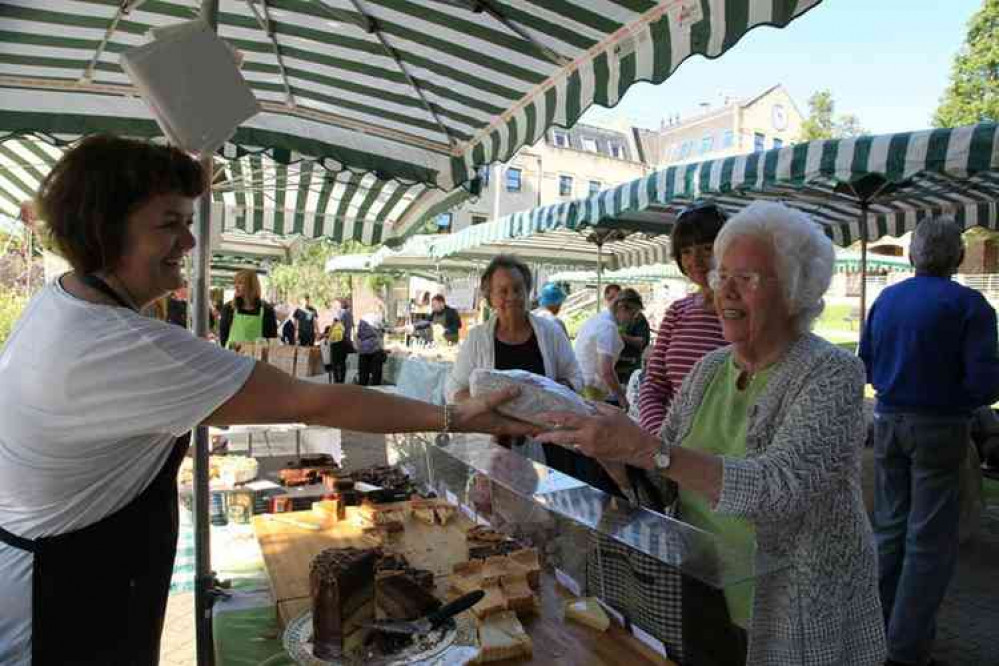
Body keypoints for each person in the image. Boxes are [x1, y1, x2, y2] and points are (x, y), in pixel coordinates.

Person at [0, 135, 535, 666]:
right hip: (62, 608)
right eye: (169, 224)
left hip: (70, 578)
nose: (188, 243)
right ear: (104, 229)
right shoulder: (121, 345)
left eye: (189, 222)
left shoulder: (65, 300)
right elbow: (317, 403)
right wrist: (454, 415)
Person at [538, 201, 886, 666]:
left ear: (794, 290)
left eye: (746, 278)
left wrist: (648, 448)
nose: (724, 290)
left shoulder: (832, 374)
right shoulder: (709, 369)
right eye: (722, 275)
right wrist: (610, 449)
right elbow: (663, 483)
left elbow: (777, 486)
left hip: (794, 610)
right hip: (701, 591)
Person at [859, 217, 999, 666]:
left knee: (889, 531)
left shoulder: (886, 299)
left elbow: (866, 363)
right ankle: (907, 650)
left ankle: (874, 633)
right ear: (957, 256)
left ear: (912, 254)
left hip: (887, 423)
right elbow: (984, 384)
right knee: (928, 542)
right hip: (939, 428)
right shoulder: (970, 305)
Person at [447, 254, 582, 472]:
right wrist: (487, 408)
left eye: (518, 289)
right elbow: (454, 389)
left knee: (544, 503)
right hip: (495, 446)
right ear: (490, 298)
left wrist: (547, 396)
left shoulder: (551, 333)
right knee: (496, 501)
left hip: (549, 443)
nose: (512, 297)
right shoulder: (477, 339)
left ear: (527, 292)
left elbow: (576, 377)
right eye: (502, 291)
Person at [639, 202, 729, 436]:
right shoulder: (677, 311)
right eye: (686, 251)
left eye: (707, 248)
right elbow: (653, 387)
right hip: (669, 446)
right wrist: (660, 439)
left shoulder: (744, 313)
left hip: (721, 450)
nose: (695, 260)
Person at [574, 288, 644, 414]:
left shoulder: (598, 319)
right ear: (622, 308)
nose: (633, 319)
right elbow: (606, 371)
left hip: (584, 385)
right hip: (590, 388)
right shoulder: (607, 327)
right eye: (633, 314)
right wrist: (622, 398)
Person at [219, 269, 278, 349]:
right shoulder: (229, 309)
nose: (236, 286)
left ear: (252, 286)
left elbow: (271, 341)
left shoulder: (267, 310)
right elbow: (223, 339)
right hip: (231, 357)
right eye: (235, 283)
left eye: (240, 283)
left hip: (256, 359)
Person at [356, 312, 387, 386]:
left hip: (363, 351)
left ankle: (363, 393)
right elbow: (382, 333)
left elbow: (359, 335)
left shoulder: (362, 321)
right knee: (376, 377)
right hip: (375, 350)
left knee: (363, 377)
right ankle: (375, 393)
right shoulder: (378, 322)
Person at [323, 317, 349, 383]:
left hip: (334, 346)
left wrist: (324, 336)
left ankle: (336, 380)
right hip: (343, 345)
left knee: (335, 364)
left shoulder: (333, 326)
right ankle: (342, 380)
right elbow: (345, 335)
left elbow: (328, 335)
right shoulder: (342, 326)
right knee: (342, 363)